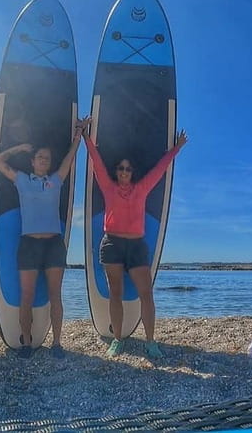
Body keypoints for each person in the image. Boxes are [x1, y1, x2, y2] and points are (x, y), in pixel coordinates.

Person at [82, 127, 188, 359]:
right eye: (120, 168)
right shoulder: (108, 188)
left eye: (128, 169)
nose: (124, 172)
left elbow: (161, 168)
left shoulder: (142, 188)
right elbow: (96, 162)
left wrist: (177, 148)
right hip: (112, 245)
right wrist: (86, 138)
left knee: (146, 294)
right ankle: (118, 340)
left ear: (132, 172)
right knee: (115, 294)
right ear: (116, 171)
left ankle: (151, 342)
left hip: (137, 246)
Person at [0, 117, 90, 359]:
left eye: (47, 158)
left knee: (55, 295)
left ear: (48, 163)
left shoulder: (56, 180)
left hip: (53, 245)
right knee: (26, 295)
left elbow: (70, 158)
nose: (44, 160)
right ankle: (26, 344)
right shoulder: (22, 180)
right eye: (39, 157)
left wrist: (79, 133)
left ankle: (57, 343)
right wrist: (19, 147)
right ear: (32, 162)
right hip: (29, 244)